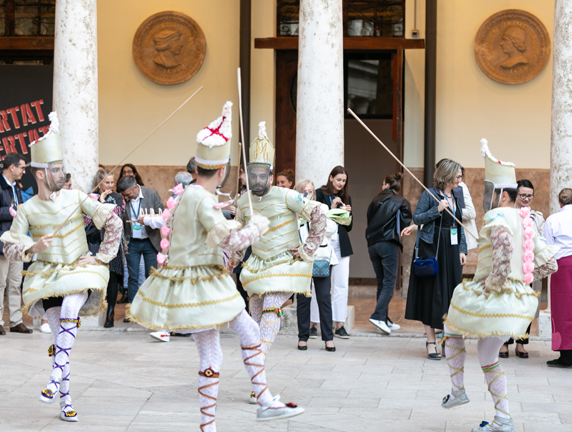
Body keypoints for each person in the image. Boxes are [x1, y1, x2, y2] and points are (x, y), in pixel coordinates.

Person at [128, 103, 305, 430]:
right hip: (203, 282)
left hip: (191, 282)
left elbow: (203, 235)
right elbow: (228, 239)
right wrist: (257, 226)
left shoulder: (189, 195)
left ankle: (212, 424)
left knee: (213, 354)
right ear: (222, 170)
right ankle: (263, 401)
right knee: (248, 334)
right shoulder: (200, 198)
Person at [0, 112, 122, 422]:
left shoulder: (76, 196)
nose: (61, 173)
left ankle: (54, 379)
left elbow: (113, 220)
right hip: (46, 276)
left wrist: (101, 256)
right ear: (40, 174)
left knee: (70, 306)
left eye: (61, 168)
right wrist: (33, 246)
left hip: (80, 270)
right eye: (55, 169)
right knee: (60, 339)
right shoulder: (27, 209)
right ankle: (65, 399)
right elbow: (10, 246)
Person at [440, 139, 557, 432]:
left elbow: (503, 248)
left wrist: (495, 282)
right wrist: (521, 277)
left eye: (491, 191)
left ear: (503, 194)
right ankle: (502, 418)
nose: (487, 196)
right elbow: (549, 264)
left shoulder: (496, 215)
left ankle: (458, 390)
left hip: (495, 295)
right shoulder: (527, 221)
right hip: (517, 300)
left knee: (451, 327)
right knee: (487, 356)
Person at [235, 121, 326, 403]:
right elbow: (238, 236)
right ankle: (257, 383)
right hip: (257, 267)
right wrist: (227, 261)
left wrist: (307, 248)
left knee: (272, 311)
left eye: (263, 174)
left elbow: (320, 212)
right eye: (254, 175)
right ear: (248, 176)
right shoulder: (242, 202)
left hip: (284, 265)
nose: (259, 180)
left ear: (272, 175)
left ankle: (257, 375)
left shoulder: (287, 195)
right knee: (254, 322)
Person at [405, 159, 467, 360]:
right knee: (432, 293)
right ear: (447, 176)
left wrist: (462, 249)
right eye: (457, 176)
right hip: (432, 248)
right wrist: (437, 210)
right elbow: (417, 219)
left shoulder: (458, 194)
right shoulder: (429, 194)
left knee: (451, 294)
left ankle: (447, 338)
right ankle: (430, 341)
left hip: (452, 247)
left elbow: (459, 224)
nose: (460, 179)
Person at [500, 179, 545, 359]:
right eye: (523, 195)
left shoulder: (537, 217)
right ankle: (504, 342)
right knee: (507, 304)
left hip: (529, 266)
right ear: (515, 195)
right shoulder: (506, 214)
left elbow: (540, 240)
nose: (526, 199)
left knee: (526, 305)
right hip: (510, 266)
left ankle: (521, 343)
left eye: (530, 195)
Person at [366, 172, 412, 335]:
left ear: (386, 184)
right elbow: (406, 222)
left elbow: (369, 220)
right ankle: (378, 316)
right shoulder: (401, 201)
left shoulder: (374, 200)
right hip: (389, 244)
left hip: (373, 245)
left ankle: (384, 319)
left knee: (381, 281)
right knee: (389, 283)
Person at [294, 179, 336, 352]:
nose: (308, 194)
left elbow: (332, 230)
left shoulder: (321, 208)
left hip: (321, 258)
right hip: (301, 258)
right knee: (303, 300)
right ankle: (303, 337)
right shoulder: (293, 211)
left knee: (324, 298)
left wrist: (314, 218)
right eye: (304, 191)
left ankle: (328, 338)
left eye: (310, 191)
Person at [117, 175, 163, 318]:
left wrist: (148, 219)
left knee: (151, 276)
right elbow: (122, 221)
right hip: (133, 242)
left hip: (150, 240)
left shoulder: (152, 194)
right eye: (124, 195)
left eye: (128, 194)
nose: (126, 197)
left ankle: (150, 310)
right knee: (133, 277)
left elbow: (162, 213)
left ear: (135, 188)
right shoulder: (124, 200)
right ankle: (132, 311)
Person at [85, 170, 126, 328]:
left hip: (111, 242)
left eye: (111, 182)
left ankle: (110, 313)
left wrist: (101, 204)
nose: (110, 185)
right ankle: (91, 310)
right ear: (99, 183)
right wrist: (100, 202)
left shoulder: (118, 197)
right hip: (94, 241)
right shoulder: (90, 197)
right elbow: (88, 219)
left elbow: (117, 213)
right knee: (93, 275)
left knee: (113, 278)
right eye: (106, 182)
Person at [315, 166, 353, 339]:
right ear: (331, 178)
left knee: (341, 284)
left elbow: (349, 227)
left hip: (341, 246)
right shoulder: (319, 194)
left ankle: (340, 324)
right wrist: (332, 207)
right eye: (338, 179)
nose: (341, 183)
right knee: (320, 285)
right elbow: (317, 219)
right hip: (323, 245)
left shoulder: (346, 197)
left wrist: (347, 215)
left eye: (344, 181)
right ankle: (313, 325)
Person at [0, 153, 32, 335]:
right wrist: (10, 211)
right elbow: (8, 211)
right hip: (2, 242)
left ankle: (15, 321)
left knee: (15, 283)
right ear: (12, 168)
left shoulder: (16, 188)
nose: (24, 171)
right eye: (22, 167)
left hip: (17, 242)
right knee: (0, 283)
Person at [543, 187, 572, 368]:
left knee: (563, 308)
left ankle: (566, 355)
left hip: (562, 265)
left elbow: (548, 247)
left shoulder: (553, 219)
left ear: (559, 203)